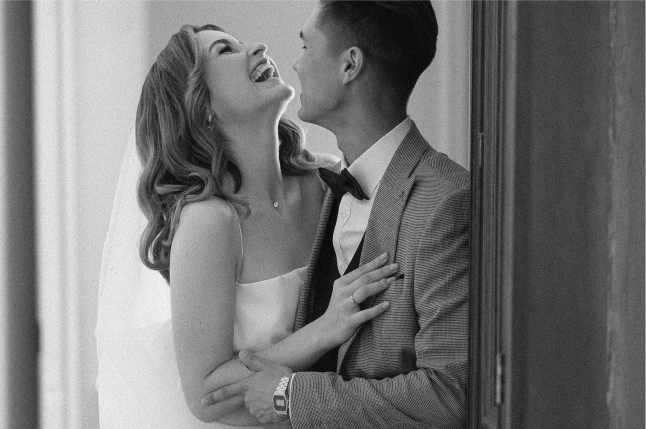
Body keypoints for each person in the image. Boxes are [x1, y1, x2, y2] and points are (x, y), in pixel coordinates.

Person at [95, 23, 399, 428]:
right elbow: (205, 396)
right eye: (226, 50)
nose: (258, 47)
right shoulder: (210, 222)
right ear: (202, 106)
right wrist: (325, 329)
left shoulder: (326, 183)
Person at [201, 1, 470, 428]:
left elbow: (451, 393)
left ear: (350, 65)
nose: (295, 64)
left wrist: (292, 396)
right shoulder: (323, 187)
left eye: (306, 47)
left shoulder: (444, 201)